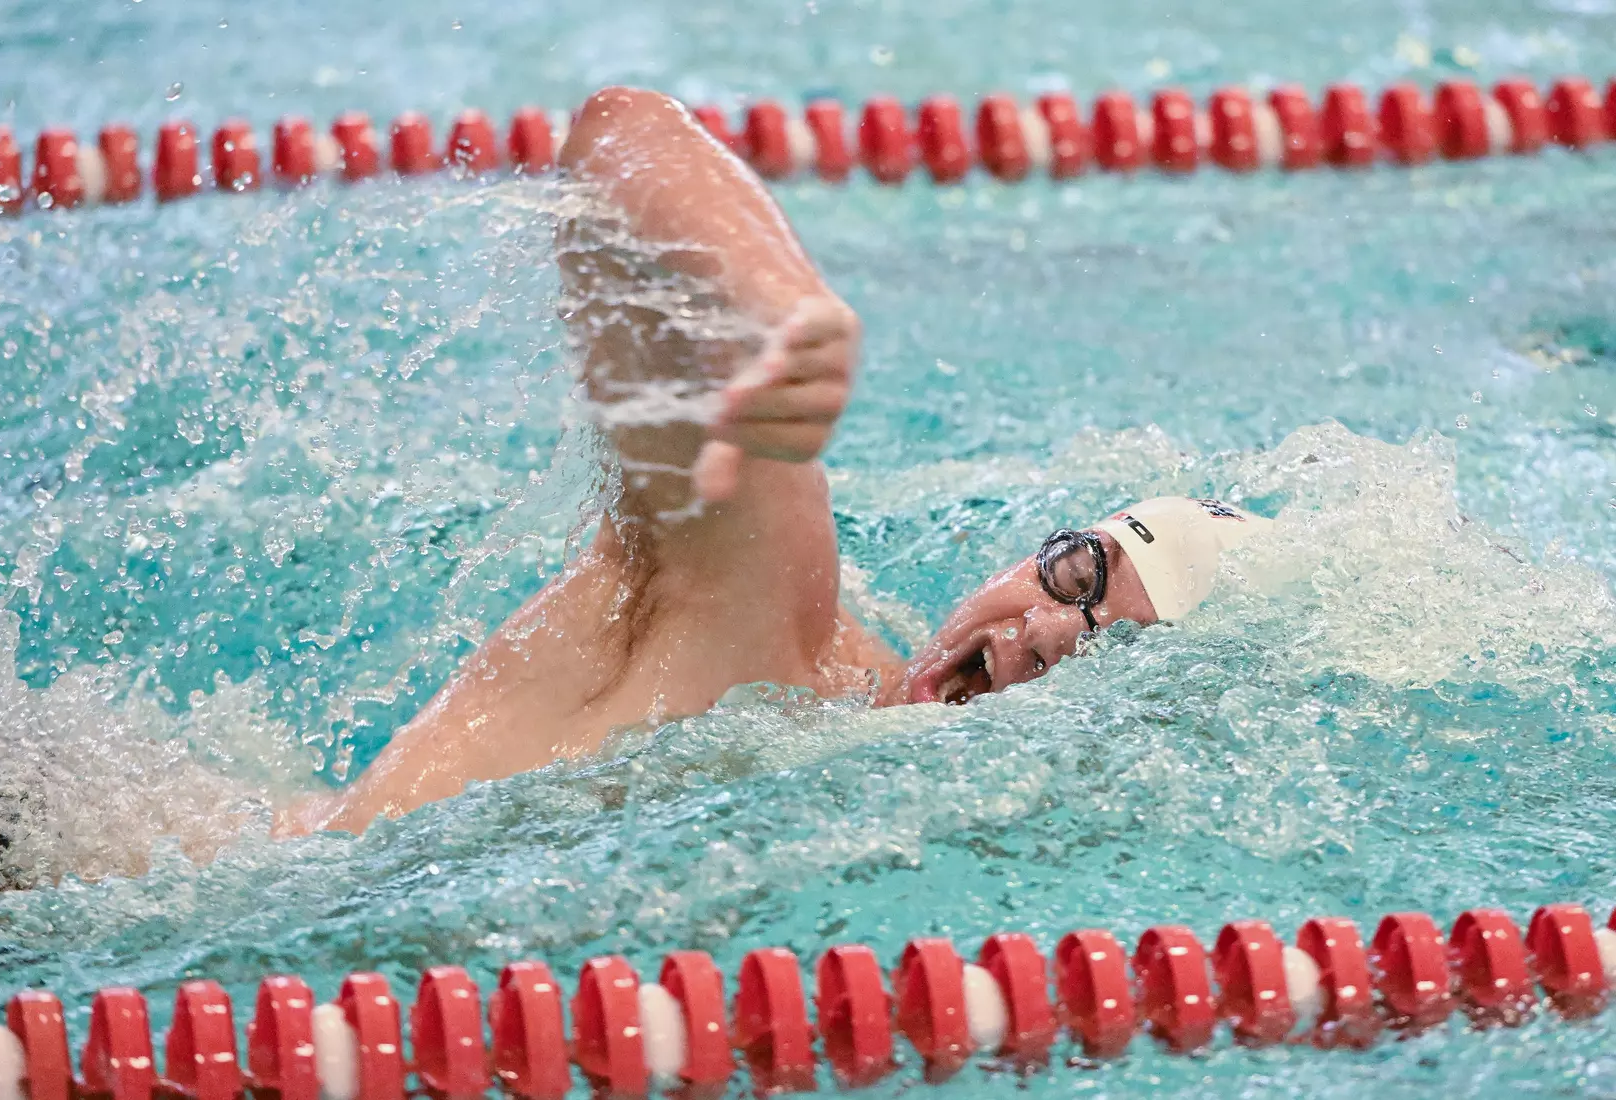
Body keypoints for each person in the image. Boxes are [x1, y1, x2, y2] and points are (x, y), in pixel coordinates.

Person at [275, 88, 1272, 836]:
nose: (1053, 629)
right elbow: (620, 130)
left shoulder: (862, 775)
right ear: (1026, 552)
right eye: (1074, 571)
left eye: (1111, 646)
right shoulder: (767, 624)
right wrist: (774, 299)